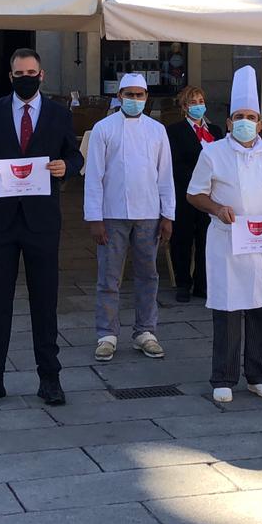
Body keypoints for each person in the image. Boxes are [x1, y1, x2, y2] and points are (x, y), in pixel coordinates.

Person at [0, 47, 83, 408]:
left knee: (45, 302)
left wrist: (67, 167)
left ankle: (50, 379)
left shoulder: (58, 114)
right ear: (10, 77)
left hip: (41, 221)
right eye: (19, 74)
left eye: (32, 73)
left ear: (41, 75)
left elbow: (75, 155)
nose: (26, 79)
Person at [186, 66, 262, 404]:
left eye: (251, 117)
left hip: (261, 240)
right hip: (227, 241)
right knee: (228, 310)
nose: (245, 121)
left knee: (261, 308)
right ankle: (224, 376)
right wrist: (217, 208)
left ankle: (260, 375)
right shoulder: (212, 152)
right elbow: (194, 193)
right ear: (229, 123)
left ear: (260, 123)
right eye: (239, 117)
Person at [84, 73, 174, 361]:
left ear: (146, 97)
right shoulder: (103, 129)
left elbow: (165, 175)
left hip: (149, 213)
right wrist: (94, 218)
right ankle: (106, 334)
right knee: (109, 277)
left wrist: (168, 215)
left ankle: (145, 331)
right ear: (119, 96)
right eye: (129, 94)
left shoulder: (157, 130)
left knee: (148, 275)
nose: (135, 99)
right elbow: (94, 176)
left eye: (139, 95)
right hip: (112, 213)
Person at [165, 86, 221, 303]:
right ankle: (182, 283)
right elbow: (175, 163)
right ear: (184, 107)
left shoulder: (215, 130)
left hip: (211, 194)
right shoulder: (174, 131)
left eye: (200, 101)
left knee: (207, 238)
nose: (198, 105)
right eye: (193, 102)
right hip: (186, 192)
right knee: (182, 239)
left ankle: (202, 282)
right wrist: (198, 181)